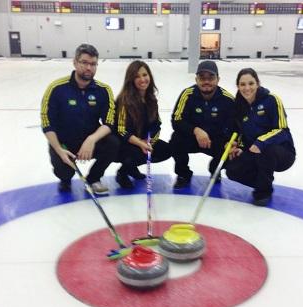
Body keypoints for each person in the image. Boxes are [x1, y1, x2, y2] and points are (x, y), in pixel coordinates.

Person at [40, 44, 119, 195]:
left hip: (90, 142)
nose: (89, 68)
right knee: (64, 172)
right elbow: (47, 122)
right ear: (75, 62)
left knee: (113, 143)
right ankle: (65, 178)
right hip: (64, 143)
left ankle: (94, 178)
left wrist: (91, 139)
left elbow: (109, 122)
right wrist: (59, 149)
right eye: (84, 62)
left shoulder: (104, 90)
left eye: (93, 64)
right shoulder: (56, 88)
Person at [226, 68, 296, 206]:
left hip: (281, 153)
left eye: (251, 83)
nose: (247, 88)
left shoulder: (272, 100)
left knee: (266, 151)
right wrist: (239, 147)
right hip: (255, 151)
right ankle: (263, 181)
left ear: (258, 83)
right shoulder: (239, 106)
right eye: (242, 84)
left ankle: (263, 192)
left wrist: (261, 142)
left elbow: (282, 130)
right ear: (238, 86)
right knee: (232, 170)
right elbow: (242, 133)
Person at [170, 60, 235, 189]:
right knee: (176, 140)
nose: (206, 81)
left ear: (218, 79)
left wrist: (229, 142)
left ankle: (215, 169)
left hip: (216, 140)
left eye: (211, 78)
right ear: (196, 79)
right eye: (202, 78)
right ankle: (183, 174)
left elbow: (234, 126)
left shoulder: (228, 99)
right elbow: (176, 120)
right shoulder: (187, 94)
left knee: (232, 148)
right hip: (193, 138)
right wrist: (196, 130)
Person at [115, 60, 171, 189]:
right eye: (137, 76)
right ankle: (123, 172)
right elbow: (121, 130)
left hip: (144, 141)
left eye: (145, 75)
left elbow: (157, 124)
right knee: (137, 153)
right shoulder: (124, 100)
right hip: (126, 143)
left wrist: (150, 141)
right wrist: (140, 143)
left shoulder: (151, 99)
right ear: (130, 79)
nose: (142, 79)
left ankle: (131, 168)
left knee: (167, 150)